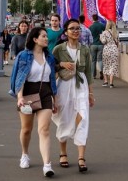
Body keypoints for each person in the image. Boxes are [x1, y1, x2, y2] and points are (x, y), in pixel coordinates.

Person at [9, 27, 57, 177]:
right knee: (26, 129)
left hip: (45, 93)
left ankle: (47, 165)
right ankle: (24, 154)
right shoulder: (24, 56)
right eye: (43, 36)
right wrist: (20, 97)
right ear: (35, 39)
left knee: (44, 130)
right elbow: (19, 78)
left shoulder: (49, 57)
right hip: (28, 93)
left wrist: (55, 99)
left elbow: (52, 79)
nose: (46, 38)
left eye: (46, 36)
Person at [52, 19, 94, 173]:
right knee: (64, 119)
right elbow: (50, 68)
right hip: (64, 86)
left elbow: (89, 72)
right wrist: (62, 64)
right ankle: (63, 153)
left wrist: (90, 93)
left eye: (78, 28)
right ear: (66, 32)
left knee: (83, 118)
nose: (76, 31)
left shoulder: (85, 50)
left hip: (81, 86)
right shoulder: (58, 49)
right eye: (72, 28)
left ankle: (81, 157)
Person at [100, 20, 119, 88]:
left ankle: (105, 81)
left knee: (106, 65)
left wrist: (100, 37)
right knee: (113, 66)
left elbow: (104, 41)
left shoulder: (104, 32)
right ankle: (111, 83)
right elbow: (117, 42)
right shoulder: (116, 33)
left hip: (107, 50)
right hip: (114, 50)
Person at [88, 14, 105, 80]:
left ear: (92, 19)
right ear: (98, 18)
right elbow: (105, 31)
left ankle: (93, 75)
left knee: (93, 61)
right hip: (100, 44)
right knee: (100, 59)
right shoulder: (101, 25)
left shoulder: (90, 27)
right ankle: (101, 71)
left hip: (93, 45)